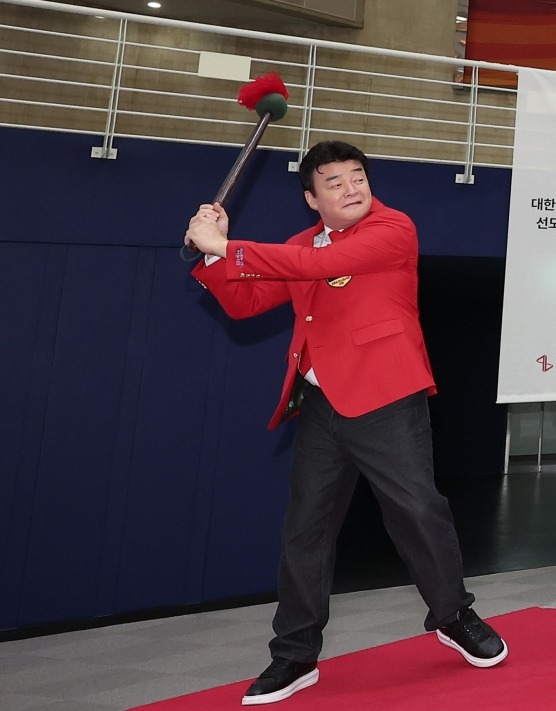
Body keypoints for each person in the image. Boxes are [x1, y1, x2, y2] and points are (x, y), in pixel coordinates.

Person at [184, 140, 508, 706]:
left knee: (416, 509)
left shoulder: (393, 228)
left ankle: (455, 615)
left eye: (357, 177)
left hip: (388, 396)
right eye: (334, 182)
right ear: (312, 199)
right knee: (305, 530)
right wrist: (210, 256)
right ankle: (294, 654)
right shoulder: (298, 243)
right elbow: (246, 302)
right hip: (321, 404)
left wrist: (229, 246)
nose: (352, 188)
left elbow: (322, 266)